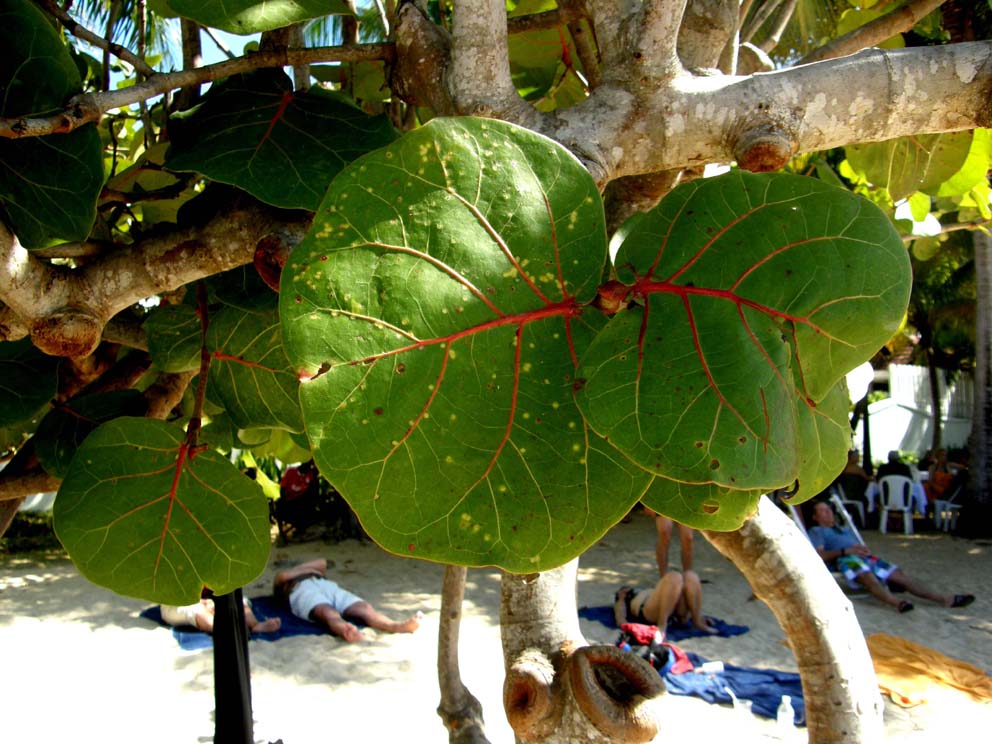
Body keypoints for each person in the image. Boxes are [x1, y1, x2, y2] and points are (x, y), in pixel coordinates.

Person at [807, 500, 974, 613]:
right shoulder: (817, 531)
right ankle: (896, 603)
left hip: (864, 557)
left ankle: (946, 599)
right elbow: (818, 555)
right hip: (845, 559)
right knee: (867, 576)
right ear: (815, 517)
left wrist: (863, 550)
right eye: (822, 511)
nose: (828, 512)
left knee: (900, 576)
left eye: (828, 509)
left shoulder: (845, 529)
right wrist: (845, 552)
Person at [273, 558, 422, 642]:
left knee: (363, 607)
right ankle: (346, 630)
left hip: (324, 584)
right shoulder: (283, 580)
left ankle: (395, 626)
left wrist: (302, 570)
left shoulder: (306, 572)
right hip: (300, 589)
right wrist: (308, 571)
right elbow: (282, 576)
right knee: (327, 611)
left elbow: (322, 562)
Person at [613, 570, 718, 634]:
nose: (627, 588)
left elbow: (670, 594)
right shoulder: (624, 597)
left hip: (673, 611)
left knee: (690, 576)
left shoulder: (649, 591)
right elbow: (620, 616)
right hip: (649, 612)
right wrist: (624, 623)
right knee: (674, 576)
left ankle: (697, 621)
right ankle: (662, 625)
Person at [161, 595, 281, 634]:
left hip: (208, 598)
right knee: (198, 612)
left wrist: (210, 602)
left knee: (237, 599)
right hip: (177, 602)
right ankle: (229, 631)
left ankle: (254, 625)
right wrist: (203, 604)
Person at [643, 507, 694, 576]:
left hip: (686, 501)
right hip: (663, 501)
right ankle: (663, 576)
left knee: (688, 538)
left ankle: (688, 577)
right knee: (664, 533)